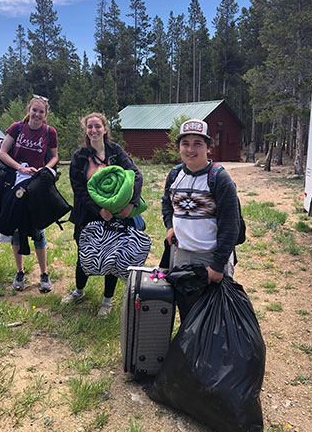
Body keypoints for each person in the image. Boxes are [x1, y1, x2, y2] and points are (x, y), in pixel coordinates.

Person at [62, 112, 143, 317]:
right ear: (86, 130)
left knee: (112, 256)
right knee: (85, 255)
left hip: (116, 216)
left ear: (105, 129)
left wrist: (131, 204)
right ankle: (78, 291)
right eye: (90, 127)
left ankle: (107, 301)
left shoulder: (115, 151)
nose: (94, 130)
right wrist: (99, 210)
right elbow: (78, 188)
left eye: (98, 126)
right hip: (88, 215)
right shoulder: (80, 156)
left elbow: (136, 175)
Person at [162, 119, 240, 306]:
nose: (190, 150)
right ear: (179, 147)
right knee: (186, 309)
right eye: (185, 144)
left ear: (208, 148)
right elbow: (167, 204)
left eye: (197, 143)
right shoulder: (174, 175)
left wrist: (218, 265)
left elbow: (231, 225)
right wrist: (170, 226)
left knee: (213, 316)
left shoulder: (219, 178)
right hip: (181, 254)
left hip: (210, 257)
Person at [0, 96, 59, 293]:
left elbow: (55, 155)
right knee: (17, 227)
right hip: (15, 181)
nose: (37, 114)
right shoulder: (16, 128)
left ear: (45, 114)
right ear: (29, 109)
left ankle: (44, 273)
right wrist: (20, 168)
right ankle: (20, 272)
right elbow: (3, 153)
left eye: (41, 112)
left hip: (36, 183)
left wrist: (44, 170)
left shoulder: (50, 132)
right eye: (34, 110)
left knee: (38, 227)